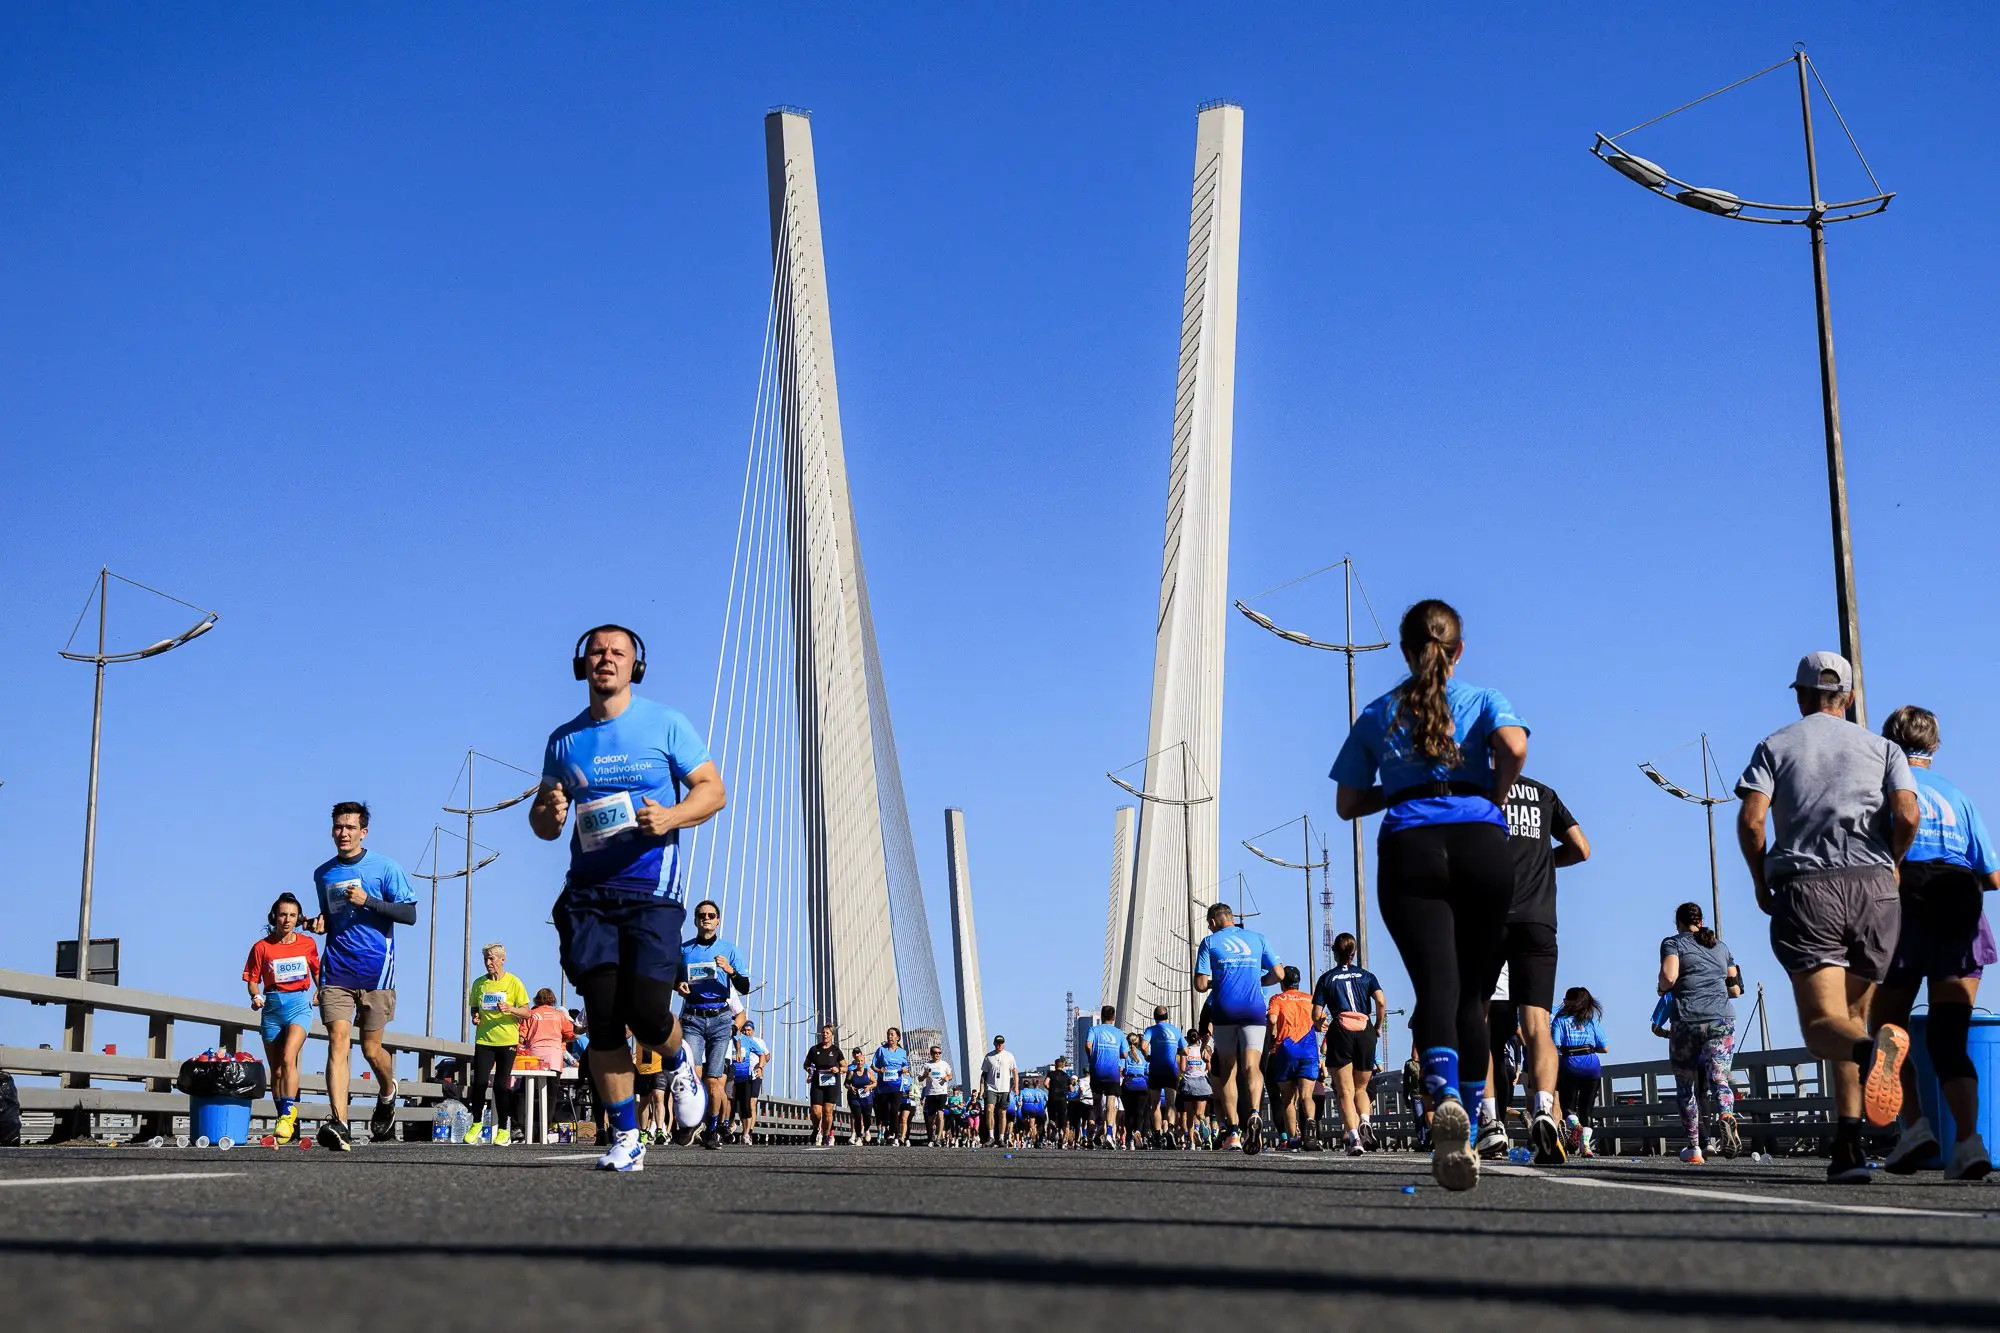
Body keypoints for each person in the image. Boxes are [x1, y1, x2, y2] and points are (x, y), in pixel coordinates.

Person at [1331, 599, 1527, 1191]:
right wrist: (1491, 790)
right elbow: (1515, 747)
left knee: (1436, 987)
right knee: (1474, 994)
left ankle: (1442, 1095)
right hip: (1481, 844)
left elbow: (1347, 803)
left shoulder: (1377, 711)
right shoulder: (1485, 698)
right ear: (1457, 649)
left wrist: (1399, 789)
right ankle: (1466, 1116)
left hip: (1411, 846)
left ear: (1404, 649)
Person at [531, 624, 727, 1172]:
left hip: (651, 890)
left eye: (618, 653)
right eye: (597, 652)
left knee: (645, 1010)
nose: (606, 659)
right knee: (602, 1015)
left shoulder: (665, 724)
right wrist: (549, 812)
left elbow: (713, 790)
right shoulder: (564, 739)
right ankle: (625, 1135)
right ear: (582, 664)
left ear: (634, 667)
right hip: (589, 894)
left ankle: (678, 1059)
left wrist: (670, 816)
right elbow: (546, 824)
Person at [1736, 651, 1918, 1184]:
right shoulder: (1883, 747)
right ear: (1850, 698)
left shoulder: (1776, 745)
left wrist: (1758, 877)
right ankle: (1848, 1147)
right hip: (1876, 891)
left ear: (1800, 695)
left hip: (1808, 888)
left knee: (1823, 1029)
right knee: (1850, 1018)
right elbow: (1907, 812)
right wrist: (1893, 863)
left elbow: (1751, 821)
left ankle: (1869, 1052)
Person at [1873, 706, 1997, 1180]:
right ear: (1936, 748)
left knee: (1887, 1028)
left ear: (1887, 743)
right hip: (1961, 915)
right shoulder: (1959, 798)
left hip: (1904, 913)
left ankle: (1914, 1128)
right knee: (1951, 1038)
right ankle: (1968, 1142)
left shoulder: (1884, 792)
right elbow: (1993, 876)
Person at [308, 800, 420, 1151]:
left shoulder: (386, 868)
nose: (343, 833)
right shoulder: (323, 873)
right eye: (338, 827)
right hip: (337, 970)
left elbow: (410, 914)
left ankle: (388, 1090)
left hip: (376, 973)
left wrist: (369, 901)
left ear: (363, 832)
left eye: (350, 828)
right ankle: (339, 1122)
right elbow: (331, 915)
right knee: (338, 1042)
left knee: (372, 1049)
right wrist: (320, 922)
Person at [1494, 774, 1590, 1164]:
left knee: (1484, 1020)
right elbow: (1582, 849)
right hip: (1538, 919)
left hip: (1492, 915)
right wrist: (1543, 862)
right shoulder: (1545, 793)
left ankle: (1490, 1123)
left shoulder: (1478, 789)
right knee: (1538, 1024)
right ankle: (1546, 1110)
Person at [1193, 902, 1282, 1154]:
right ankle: (1254, 1112)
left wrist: (1216, 981)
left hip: (1224, 1011)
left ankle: (1233, 1132)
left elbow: (1200, 984)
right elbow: (1279, 973)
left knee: (1228, 1070)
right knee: (1252, 1066)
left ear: (1213, 922)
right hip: (1254, 1010)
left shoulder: (1210, 942)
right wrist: (1258, 979)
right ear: (1232, 918)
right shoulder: (1257, 938)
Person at [1659, 902, 1744, 1164]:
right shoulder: (1720, 945)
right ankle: (1727, 1116)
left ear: (1678, 922)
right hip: (1721, 1019)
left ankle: (1695, 1148)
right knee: (1720, 1079)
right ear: (1701, 919)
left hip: (1687, 1020)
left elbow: (1669, 977)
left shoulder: (1673, 943)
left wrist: (1662, 987)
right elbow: (1735, 989)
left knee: (1686, 1088)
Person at [243, 893, 319, 1145]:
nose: (287, 919)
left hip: (298, 1005)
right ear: (274, 916)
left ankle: (288, 1113)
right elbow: (252, 979)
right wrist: (255, 996)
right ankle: (283, 1119)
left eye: (292, 915)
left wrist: (321, 990)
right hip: (272, 1007)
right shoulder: (261, 947)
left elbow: (318, 972)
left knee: (289, 1058)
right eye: (283, 914)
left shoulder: (307, 944)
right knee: (276, 1070)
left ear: (298, 919)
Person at [676, 900, 753, 1150]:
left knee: (713, 1081)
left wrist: (730, 970)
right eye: (701, 915)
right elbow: (672, 978)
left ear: (718, 920)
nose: (706, 919)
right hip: (693, 1018)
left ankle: (711, 1129)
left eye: (711, 915)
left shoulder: (729, 950)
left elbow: (744, 987)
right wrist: (678, 985)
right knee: (692, 1074)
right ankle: (690, 1122)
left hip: (720, 1020)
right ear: (696, 921)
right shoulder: (685, 950)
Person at [1312, 933, 1386, 1157]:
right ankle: (1365, 1120)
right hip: (1365, 1028)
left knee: (1345, 1091)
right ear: (1353, 953)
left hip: (1341, 1029)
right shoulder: (1367, 976)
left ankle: (1354, 1137)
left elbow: (1317, 1013)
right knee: (1361, 1088)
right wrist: (1377, 1026)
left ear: (1334, 951)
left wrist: (1320, 1024)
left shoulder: (1326, 979)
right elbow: (1381, 1002)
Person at [467, 943, 531, 1146]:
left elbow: (527, 1012)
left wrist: (510, 1008)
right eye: (486, 959)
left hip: (507, 1041)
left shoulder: (514, 982)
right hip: (484, 1039)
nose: (488, 963)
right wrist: (475, 1017)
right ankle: (476, 1123)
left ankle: (504, 1129)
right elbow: (474, 1009)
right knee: (478, 1083)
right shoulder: (479, 984)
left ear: (502, 960)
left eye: (492, 958)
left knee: (501, 1086)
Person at [1263, 967, 1318, 1149]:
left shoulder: (1277, 999)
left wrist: (1272, 1036)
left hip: (1285, 1050)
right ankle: (1310, 1123)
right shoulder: (1310, 998)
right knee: (1306, 1096)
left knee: (1287, 1099)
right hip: (1309, 1050)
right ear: (1299, 980)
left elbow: (1271, 1020)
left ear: (1282, 982)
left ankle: (1293, 1138)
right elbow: (1321, 1019)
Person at [1550, 987, 1607, 1157]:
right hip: (1592, 1065)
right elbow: (1605, 1048)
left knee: (1568, 1107)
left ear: (1568, 1001)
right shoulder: (1592, 1021)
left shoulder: (1560, 1020)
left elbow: (1555, 1045)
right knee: (1587, 1109)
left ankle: (1575, 1127)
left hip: (1570, 1065)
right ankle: (1586, 1146)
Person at [516, 989, 576, 1140]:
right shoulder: (559, 1016)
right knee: (550, 1096)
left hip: (534, 1058)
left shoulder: (531, 1015)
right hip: (555, 1058)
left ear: (536, 1000)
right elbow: (572, 1034)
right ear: (553, 1000)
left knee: (525, 1093)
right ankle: (545, 1128)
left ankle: (523, 1127)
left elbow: (521, 1036)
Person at [1141, 1007, 1185, 1147]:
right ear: (1168, 1016)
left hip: (1155, 1070)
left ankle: (1158, 1134)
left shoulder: (1151, 1030)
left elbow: (1143, 1045)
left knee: (1155, 1104)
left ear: (1154, 1017)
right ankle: (1170, 1129)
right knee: (1171, 1103)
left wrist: (1148, 1056)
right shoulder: (1176, 1030)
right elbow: (1185, 1050)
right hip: (1171, 1071)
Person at [1083, 1007, 1126, 1148]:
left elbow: (1088, 1045)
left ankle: (1099, 1122)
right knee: (1111, 1101)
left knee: (1096, 1099)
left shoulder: (1094, 1030)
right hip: (1112, 1071)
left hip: (1097, 1069)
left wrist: (1092, 1058)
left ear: (1101, 1016)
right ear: (1114, 1017)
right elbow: (1125, 1054)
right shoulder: (1119, 1033)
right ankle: (1108, 1133)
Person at [728, 1020, 770, 1145]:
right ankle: (731, 1124)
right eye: (744, 1029)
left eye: (749, 1030)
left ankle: (747, 1133)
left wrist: (760, 1067)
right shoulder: (729, 1040)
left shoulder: (756, 1041)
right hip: (731, 1077)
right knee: (731, 1105)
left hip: (751, 1076)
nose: (746, 1032)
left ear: (753, 1030)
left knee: (749, 1104)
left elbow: (765, 1055)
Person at [803, 1025, 844, 1147]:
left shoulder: (836, 1051)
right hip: (817, 1083)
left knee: (828, 1112)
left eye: (827, 1032)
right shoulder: (814, 1049)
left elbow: (845, 1067)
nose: (825, 1034)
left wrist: (838, 1069)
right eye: (823, 1032)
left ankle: (826, 1135)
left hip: (831, 1084)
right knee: (816, 1112)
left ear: (832, 1035)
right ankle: (816, 1129)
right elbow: (806, 1064)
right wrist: (809, 1069)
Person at [872, 1027, 913, 1146]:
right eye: (888, 1034)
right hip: (884, 1085)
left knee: (894, 1110)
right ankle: (888, 1129)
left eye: (892, 1035)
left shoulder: (902, 1052)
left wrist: (904, 1069)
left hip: (897, 1085)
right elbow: (873, 1066)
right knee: (885, 1109)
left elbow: (906, 1067)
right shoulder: (881, 1050)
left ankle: (894, 1134)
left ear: (898, 1037)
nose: (889, 1037)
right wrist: (879, 1070)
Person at [979, 1034, 1019, 1146]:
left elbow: (1015, 1071)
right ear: (994, 1044)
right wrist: (982, 1089)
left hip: (1004, 1088)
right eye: (997, 1043)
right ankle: (991, 1136)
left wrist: (1016, 1086)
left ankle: (1001, 1138)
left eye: (1001, 1043)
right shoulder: (988, 1057)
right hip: (991, 1087)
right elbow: (984, 1075)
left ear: (1004, 1044)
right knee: (989, 1109)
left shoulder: (1009, 1056)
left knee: (1002, 1112)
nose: (999, 1045)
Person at [1177, 1030, 1213, 1149]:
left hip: (1188, 1084)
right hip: (1202, 1083)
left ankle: (1191, 1143)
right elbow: (1209, 1067)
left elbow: (1182, 1068)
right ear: (1198, 1038)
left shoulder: (1185, 1051)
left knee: (1189, 1115)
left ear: (1187, 1038)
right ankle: (1202, 1126)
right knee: (1199, 1114)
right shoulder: (1205, 1050)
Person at [1118, 1033, 1151, 1147]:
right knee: (1140, 1112)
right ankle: (1138, 1131)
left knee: (1129, 1113)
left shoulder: (1125, 1055)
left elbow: (1121, 1069)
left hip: (1128, 1085)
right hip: (1142, 1085)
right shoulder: (1143, 1055)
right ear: (1138, 1043)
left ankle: (1129, 1140)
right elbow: (1148, 1070)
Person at [918, 1042, 954, 1146]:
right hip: (930, 1093)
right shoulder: (926, 1065)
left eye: (939, 1053)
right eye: (935, 1053)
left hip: (941, 1092)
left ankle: (938, 1138)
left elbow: (950, 1075)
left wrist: (947, 1077)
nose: (937, 1054)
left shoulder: (944, 1064)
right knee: (931, 1118)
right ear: (931, 1053)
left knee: (941, 1114)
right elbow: (919, 1078)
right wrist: (925, 1076)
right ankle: (932, 1133)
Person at [845, 1047, 875, 1146]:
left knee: (867, 1117)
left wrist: (870, 1086)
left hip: (866, 1098)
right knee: (857, 1117)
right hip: (855, 1098)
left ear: (864, 1061)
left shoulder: (868, 1072)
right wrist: (850, 1088)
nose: (860, 1062)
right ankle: (858, 1137)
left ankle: (866, 1129)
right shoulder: (851, 1071)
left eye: (861, 1061)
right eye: (858, 1061)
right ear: (855, 1061)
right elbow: (846, 1083)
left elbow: (875, 1083)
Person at [1046, 1056, 1073, 1148]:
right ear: (1063, 1066)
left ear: (1055, 1065)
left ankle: (1053, 1125)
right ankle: (1061, 1135)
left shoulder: (1051, 1074)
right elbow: (1072, 1089)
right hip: (1062, 1099)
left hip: (1052, 1098)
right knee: (1062, 1121)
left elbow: (1045, 1083)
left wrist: (1051, 1089)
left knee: (1052, 1117)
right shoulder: (1066, 1076)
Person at [1018, 1080, 1049, 1144]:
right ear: (1039, 1084)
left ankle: (1028, 1137)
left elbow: (1020, 1101)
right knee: (1040, 1126)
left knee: (1029, 1124)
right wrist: (1045, 1107)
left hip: (1027, 1109)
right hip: (1040, 1110)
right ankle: (1037, 1139)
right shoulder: (1042, 1092)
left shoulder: (1024, 1091)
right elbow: (1043, 1100)